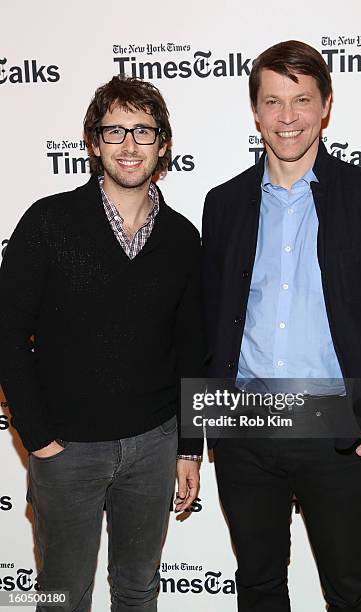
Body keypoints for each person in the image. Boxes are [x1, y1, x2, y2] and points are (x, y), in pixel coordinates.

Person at [202, 40, 361, 611]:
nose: (288, 117)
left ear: (326, 105)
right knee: (257, 587)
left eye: (301, 100)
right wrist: (197, 431)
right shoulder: (223, 204)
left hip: (341, 424)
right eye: (273, 101)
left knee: (350, 590)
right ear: (254, 111)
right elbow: (207, 323)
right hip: (244, 423)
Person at [0, 75, 204, 612]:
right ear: (93, 143)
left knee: (138, 592)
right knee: (64, 599)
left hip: (154, 444)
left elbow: (191, 348)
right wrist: (38, 437)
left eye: (143, 131)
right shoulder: (49, 222)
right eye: (115, 131)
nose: (129, 146)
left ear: (163, 145)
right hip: (67, 450)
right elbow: (7, 330)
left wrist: (188, 446)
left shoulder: (184, 238)